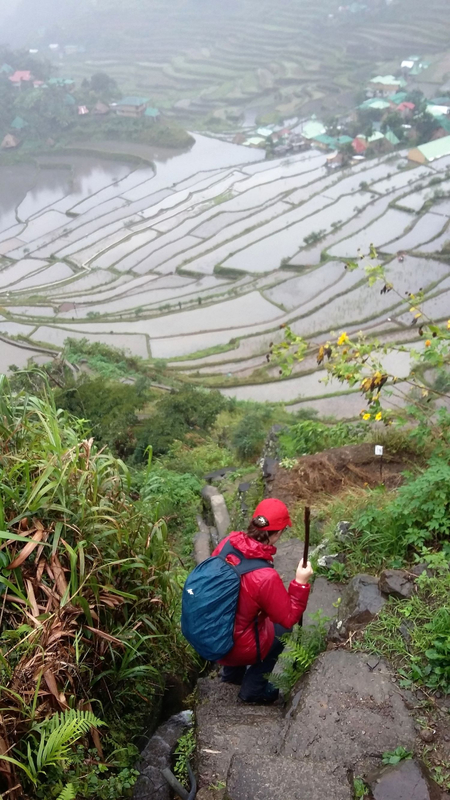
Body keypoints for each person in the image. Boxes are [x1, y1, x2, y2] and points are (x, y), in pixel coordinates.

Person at [211, 497, 313, 704]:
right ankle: (253, 689)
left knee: (238, 614)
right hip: (236, 647)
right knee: (283, 630)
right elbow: (288, 617)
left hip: (213, 634)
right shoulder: (264, 576)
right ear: (278, 533)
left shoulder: (226, 543)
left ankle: (231, 677)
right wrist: (300, 582)